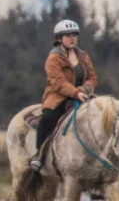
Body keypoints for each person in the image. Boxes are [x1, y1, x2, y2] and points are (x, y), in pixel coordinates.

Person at [30, 19, 98, 172]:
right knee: (48, 118)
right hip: (58, 96)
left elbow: (92, 78)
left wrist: (85, 90)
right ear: (59, 39)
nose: (72, 38)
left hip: (83, 94)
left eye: (74, 35)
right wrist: (75, 93)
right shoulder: (53, 59)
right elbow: (58, 82)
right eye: (67, 36)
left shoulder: (83, 56)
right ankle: (39, 155)